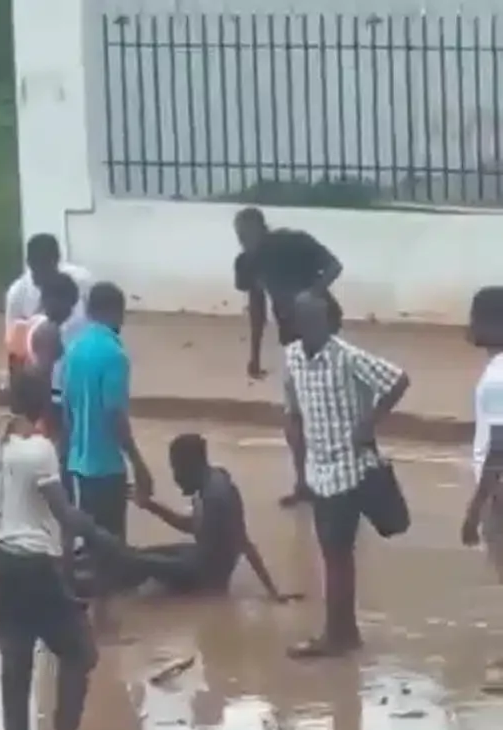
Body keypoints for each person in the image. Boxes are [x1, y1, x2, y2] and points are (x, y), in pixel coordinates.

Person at [0, 369, 124, 730]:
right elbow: (63, 513)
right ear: (44, 404)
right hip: (34, 565)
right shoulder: (39, 449)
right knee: (80, 652)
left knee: (16, 656)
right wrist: (102, 538)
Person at [284, 290, 409, 659]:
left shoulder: (348, 357)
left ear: (328, 321)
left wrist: (368, 423)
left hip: (350, 469)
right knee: (335, 554)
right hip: (318, 470)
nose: (311, 325)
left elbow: (398, 380)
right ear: (295, 321)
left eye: (318, 319)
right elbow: (293, 411)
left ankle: (337, 634)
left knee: (336, 554)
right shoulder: (291, 358)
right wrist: (300, 467)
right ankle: (343, 631)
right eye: (304, 318)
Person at [234, 206, 343, 508]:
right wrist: (254, 355)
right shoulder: (248, 262)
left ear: (260, 229)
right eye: (239, 237)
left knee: (328, 408)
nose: (243, 242)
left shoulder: (294, 243)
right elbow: (256, 307)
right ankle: (303, 482)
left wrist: (313, 293)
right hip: (291, 340)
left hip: (324, 331)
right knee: (294, 413)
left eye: (246, 235)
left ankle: (338, 481)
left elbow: (334, 266)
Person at [132, 433, 287, 599]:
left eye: (176, 469)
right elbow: (193, 526)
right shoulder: (208, 485)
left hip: (206, 575)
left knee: (138, 562)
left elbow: (244, 542)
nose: (175, 478)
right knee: (139, 555)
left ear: (189, 466)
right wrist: (151, 506)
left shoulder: (217, 496)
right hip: (200, 557)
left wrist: (273, 592)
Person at [62, 281, 153, 544]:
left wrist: (69, 453)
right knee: (112, 545)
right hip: (107, 467)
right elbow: (116, 417)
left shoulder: (73, 349)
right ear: (117, 311)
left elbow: (67, 409)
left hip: (78, 463)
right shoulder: (115, 355)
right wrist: (138, 464)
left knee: (91, 539)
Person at [461, 287, 503, 689]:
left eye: (475, 318)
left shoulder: (495, 379)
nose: (469, 326)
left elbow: (498, 451)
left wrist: (474, 512)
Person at [6, 271, 79, 444]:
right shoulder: (50, 332)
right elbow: (44, 380)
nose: (67, 310)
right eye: (66, 304)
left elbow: (16, 367)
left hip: (24, 407)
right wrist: (48, 422)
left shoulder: (33, 322)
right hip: (41, 410)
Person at [5, 233, 91, 349]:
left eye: (48, 266)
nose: (44, 272)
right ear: (29, 263)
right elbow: (13, 343)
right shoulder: (17, 294)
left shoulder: (81, 281)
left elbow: (97, 323)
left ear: (58, 260)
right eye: (38, 266)